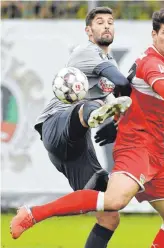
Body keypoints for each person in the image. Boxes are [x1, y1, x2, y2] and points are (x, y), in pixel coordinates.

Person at [10, 8, 164, 248]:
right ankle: (34, 213)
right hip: (131, 146)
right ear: (154, 35)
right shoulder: (150, 62)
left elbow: (127, 96)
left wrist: (116, 121)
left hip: (154, 154)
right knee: (114, 200)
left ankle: (91, 115)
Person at [10, 6, 132, 248]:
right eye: (99, 22)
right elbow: (120, 83)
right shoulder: (86, 52)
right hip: (56, 125)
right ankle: (94, 115)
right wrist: (128, 86)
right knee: (86, 105)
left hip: (76, 146)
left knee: (109, 212)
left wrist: (114, 122)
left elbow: (117, 91)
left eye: (110, 21)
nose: (107, 25)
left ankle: (33, 213)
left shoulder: (109, 60)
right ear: (88, 31)